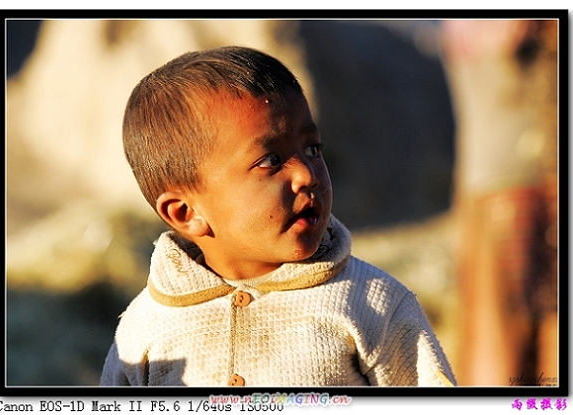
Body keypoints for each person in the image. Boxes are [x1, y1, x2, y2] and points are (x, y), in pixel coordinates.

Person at [100, 46, 455, 387]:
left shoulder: (373, 305)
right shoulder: (143, 332)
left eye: (312, 149)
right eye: (271, 160)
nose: (308, 174)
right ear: (186, 212)